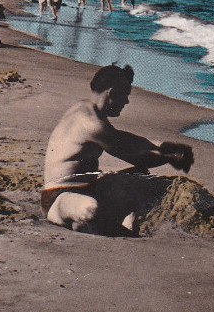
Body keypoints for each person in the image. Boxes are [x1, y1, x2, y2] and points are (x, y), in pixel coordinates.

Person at [42, 64, 195, 234]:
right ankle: (103, 224)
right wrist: (169, 158)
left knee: (140, 175)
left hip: (88, 188)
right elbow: (135, 156)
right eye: (125, 95)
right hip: (59, 197)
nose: (126, 102)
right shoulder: (92, 125)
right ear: (112, 92)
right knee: (90, 209)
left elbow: (125, 139)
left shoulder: (84, 108)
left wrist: (162, 147)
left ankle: (97, 221)